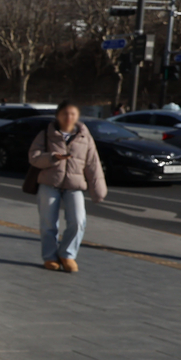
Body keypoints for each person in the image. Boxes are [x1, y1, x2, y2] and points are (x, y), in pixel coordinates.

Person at [28, 101, 107, 272]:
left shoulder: (84, 136)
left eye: (72, 113)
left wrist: (98, 190)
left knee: (78, 221)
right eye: (65, 113)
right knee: (48, 223)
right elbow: (34, 157)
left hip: (74, 185)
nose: (69, 117)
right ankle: (50, 257)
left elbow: (93, 164)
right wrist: (52, 157)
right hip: (49, 183)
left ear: (77, 116)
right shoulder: (46, 134)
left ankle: (67, 254)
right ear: (58, 115)